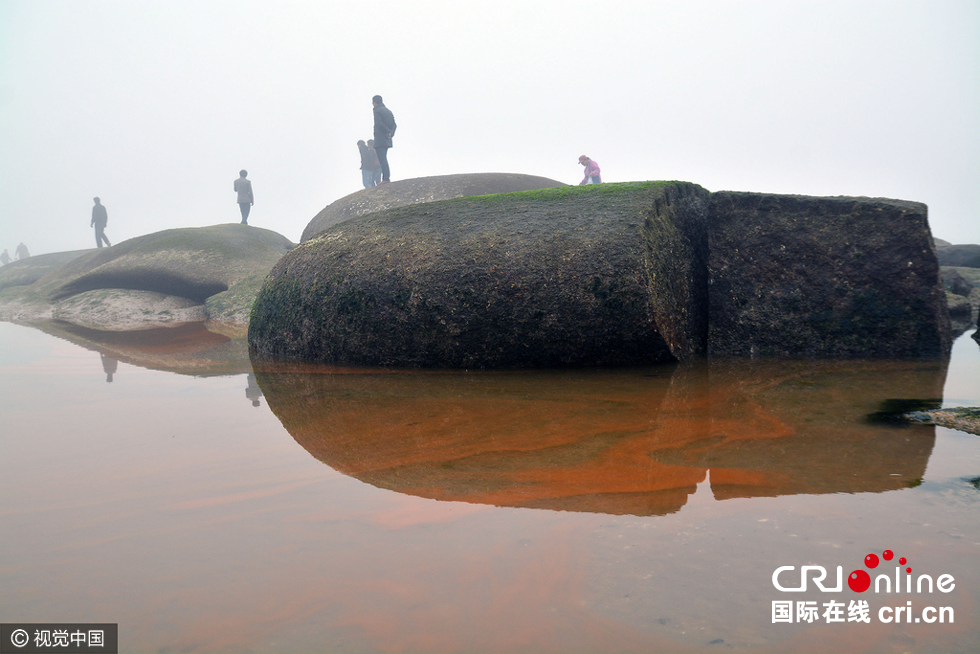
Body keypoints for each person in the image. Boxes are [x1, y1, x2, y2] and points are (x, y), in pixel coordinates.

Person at [372, 95, 397, 183]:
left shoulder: (377, 110)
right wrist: (391, 133)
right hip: (387, 138)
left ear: (374, 103)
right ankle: (386, 177)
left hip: (380, 138)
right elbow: (394, 125)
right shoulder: (389, 111)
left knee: (382, 159)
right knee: (384, 158)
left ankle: (386, 178)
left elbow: (378, 124)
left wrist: (387, 131)